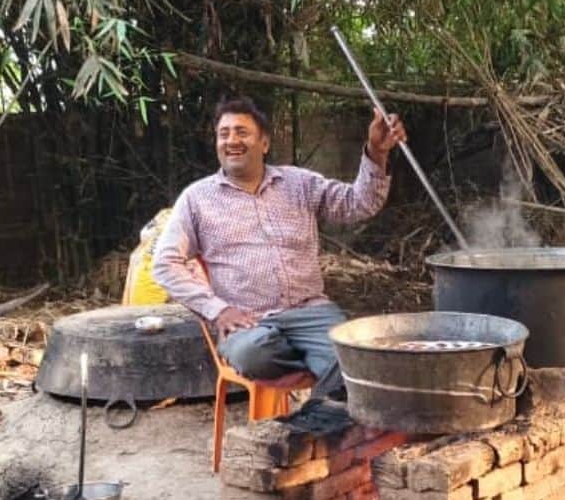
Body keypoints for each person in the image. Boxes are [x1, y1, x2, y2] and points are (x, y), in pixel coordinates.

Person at [152, 94, 406, 398]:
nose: (231, 140)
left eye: (242, 132)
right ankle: (323, 370)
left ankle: (310, 421)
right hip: (250, 324)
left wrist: (377, 152)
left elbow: (358, 204)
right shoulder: (197, 199)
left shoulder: (299, 183)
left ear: (265, 144)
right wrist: (217, 310)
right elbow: (165, 264)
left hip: (311, 312)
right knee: (254, 353)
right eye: (224, 133)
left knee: (356, 359)